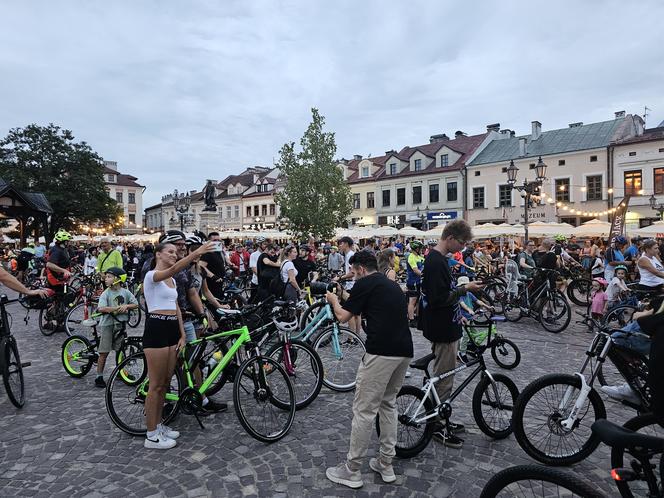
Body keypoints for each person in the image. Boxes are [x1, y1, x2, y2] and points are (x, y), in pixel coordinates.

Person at [324, 250, 413, 488]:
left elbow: (343, 316)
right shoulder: (389, 284)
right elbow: (362, 304)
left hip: (380, 353)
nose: (352, 275)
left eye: (353, 271)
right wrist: (345, 294)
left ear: (362, 269)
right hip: (403, 350)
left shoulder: (365, 283)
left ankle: (352, 469)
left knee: (364, 410)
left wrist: (333, 300)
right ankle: (386, 463)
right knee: (388, 404)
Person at [142, 238, 216, 449]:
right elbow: (174, 268)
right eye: (170, 251)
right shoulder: (151, 276)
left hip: (172, 329)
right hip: (156, 328)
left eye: (176, 252)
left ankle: (159, 425)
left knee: (165, 382)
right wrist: (196, 253)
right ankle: (151, 435)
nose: (174, 254)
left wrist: (182, 334)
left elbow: (176, 309)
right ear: (159, 254)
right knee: (155, 385)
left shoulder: (172, 281)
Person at [420, 220, 483, 448]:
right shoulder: (436, 261)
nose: (463, 247)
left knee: (443, 376)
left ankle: (440, 416)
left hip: (447, 324)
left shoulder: (439, 259)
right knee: (444, 378)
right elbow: (438, 299)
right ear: (450, 238)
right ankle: (437, 425)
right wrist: (464, 289)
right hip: (442, 328)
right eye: (462, 242)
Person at [94, 267, 138, 388]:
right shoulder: (106, 293)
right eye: (106, 277)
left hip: (121, 325)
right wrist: (117, 309)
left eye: (109, 277)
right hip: (108, 325)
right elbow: (101, 308)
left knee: (121, 350)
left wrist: (127, 306)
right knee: (104, 351)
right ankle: (99, 376)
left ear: (118, 279)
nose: (106, 279)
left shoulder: (125, 292)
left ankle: (122, 372)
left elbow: (136, 304)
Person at [457, 275, 493, 363]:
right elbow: (462, 304)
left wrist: (487, 307)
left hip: (471, 318)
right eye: (463, 286)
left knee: (475, 335)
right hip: (464, 318)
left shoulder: (469, 294)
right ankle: (462, 353)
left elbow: (477, 301)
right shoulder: (460, 295)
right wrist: (469, 309)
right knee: (465, 336)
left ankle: (471, 349)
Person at [406, 241, 424, 325]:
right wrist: (425, 275)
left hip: (418, 282)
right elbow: (415, 270)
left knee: (418, 301)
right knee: (412, 300)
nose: (421, 250)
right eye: (420, 248)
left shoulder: (419, 257)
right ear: (416, 248)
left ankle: (417, 317)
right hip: (412, 282)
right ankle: (411, 319)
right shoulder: (411, 257)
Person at [249, 236, 266, 302]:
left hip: (265, 282)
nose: (265, 246)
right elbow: (254, 269)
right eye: (264, 244)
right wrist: (262, 277)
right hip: (256, 282)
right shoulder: (254, 255)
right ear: (259, 244)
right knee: (253, 301)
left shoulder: (266, 254)